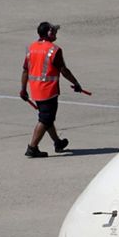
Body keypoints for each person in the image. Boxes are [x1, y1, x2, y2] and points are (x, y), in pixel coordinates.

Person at [20, 21, 83, 158]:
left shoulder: (31, 48)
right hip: (48, 91)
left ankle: (58, 142)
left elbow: (25, 70)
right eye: (54, 31)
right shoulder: (54, 50)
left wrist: (23, 89)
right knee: (45, 119)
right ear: (48, 33)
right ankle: (32, 147)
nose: (55, 34)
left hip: (35, 90)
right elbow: (64, 71)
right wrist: (76, 83)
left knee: (47, 118)